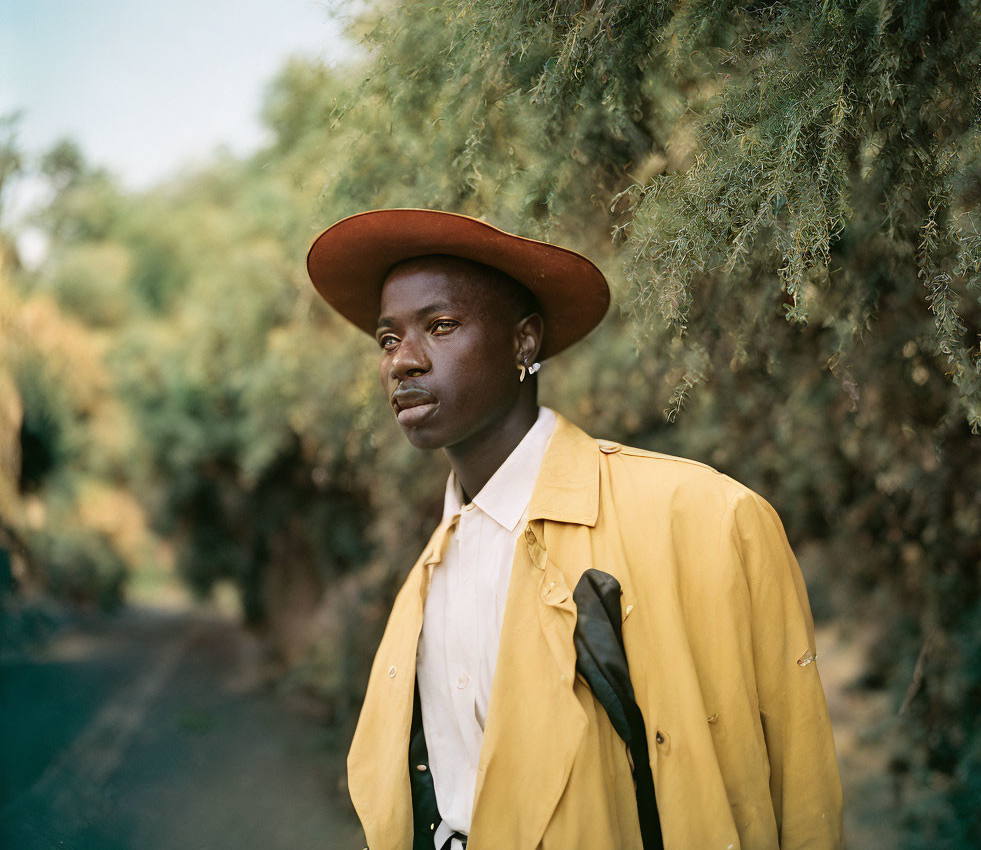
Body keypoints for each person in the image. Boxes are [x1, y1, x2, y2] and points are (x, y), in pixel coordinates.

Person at [307, 209, 843, 850]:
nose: (404, 362)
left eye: (441, 326)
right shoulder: (430, 571)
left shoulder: (703, 516)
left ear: (522, 343)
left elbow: (800, 781)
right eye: (387, 339)